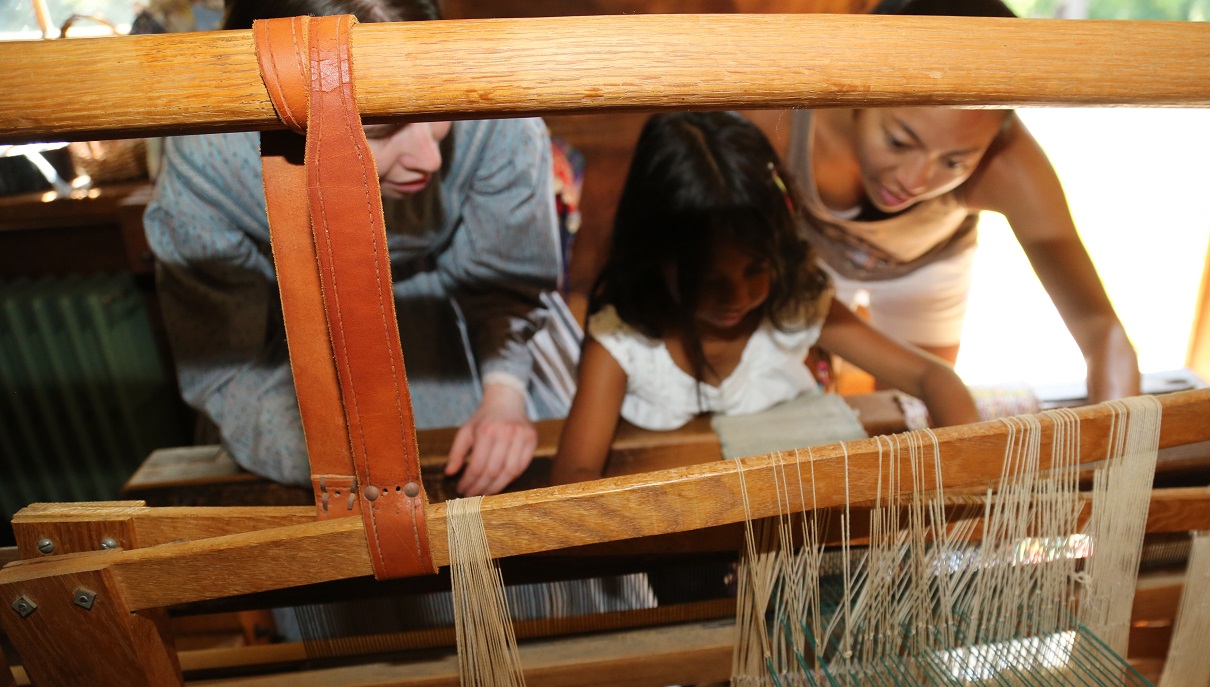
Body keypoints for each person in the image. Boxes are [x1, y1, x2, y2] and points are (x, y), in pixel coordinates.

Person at [146, 0, 573, 498]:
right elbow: (226, 365)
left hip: (478, 335)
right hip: (298, 349)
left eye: (432, 112)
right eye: (382, 128)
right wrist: (343, 459)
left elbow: (506, 288)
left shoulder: (491, 106)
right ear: (285, 118)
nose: (429, 157)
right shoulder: (209, 164)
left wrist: (504, 394)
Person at [550, 112, 981, 485]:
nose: (739, 296)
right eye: (709, 279)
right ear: (657, 257)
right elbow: (573, 479)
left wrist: (966, 472)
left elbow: (933, 378)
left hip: (799, 534)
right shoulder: (623, 342)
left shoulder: (795, 304)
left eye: (757, 269)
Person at [745, 0, 1141, 405]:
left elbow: (1100, 328)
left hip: (927, 268)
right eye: (899, 141)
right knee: (789, 397)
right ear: (857, 92)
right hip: (808, 259)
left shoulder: (1007, 165)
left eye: (955, 162)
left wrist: (1123, 433)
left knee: (914, 413)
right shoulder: (781, 118)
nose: (913, 181)